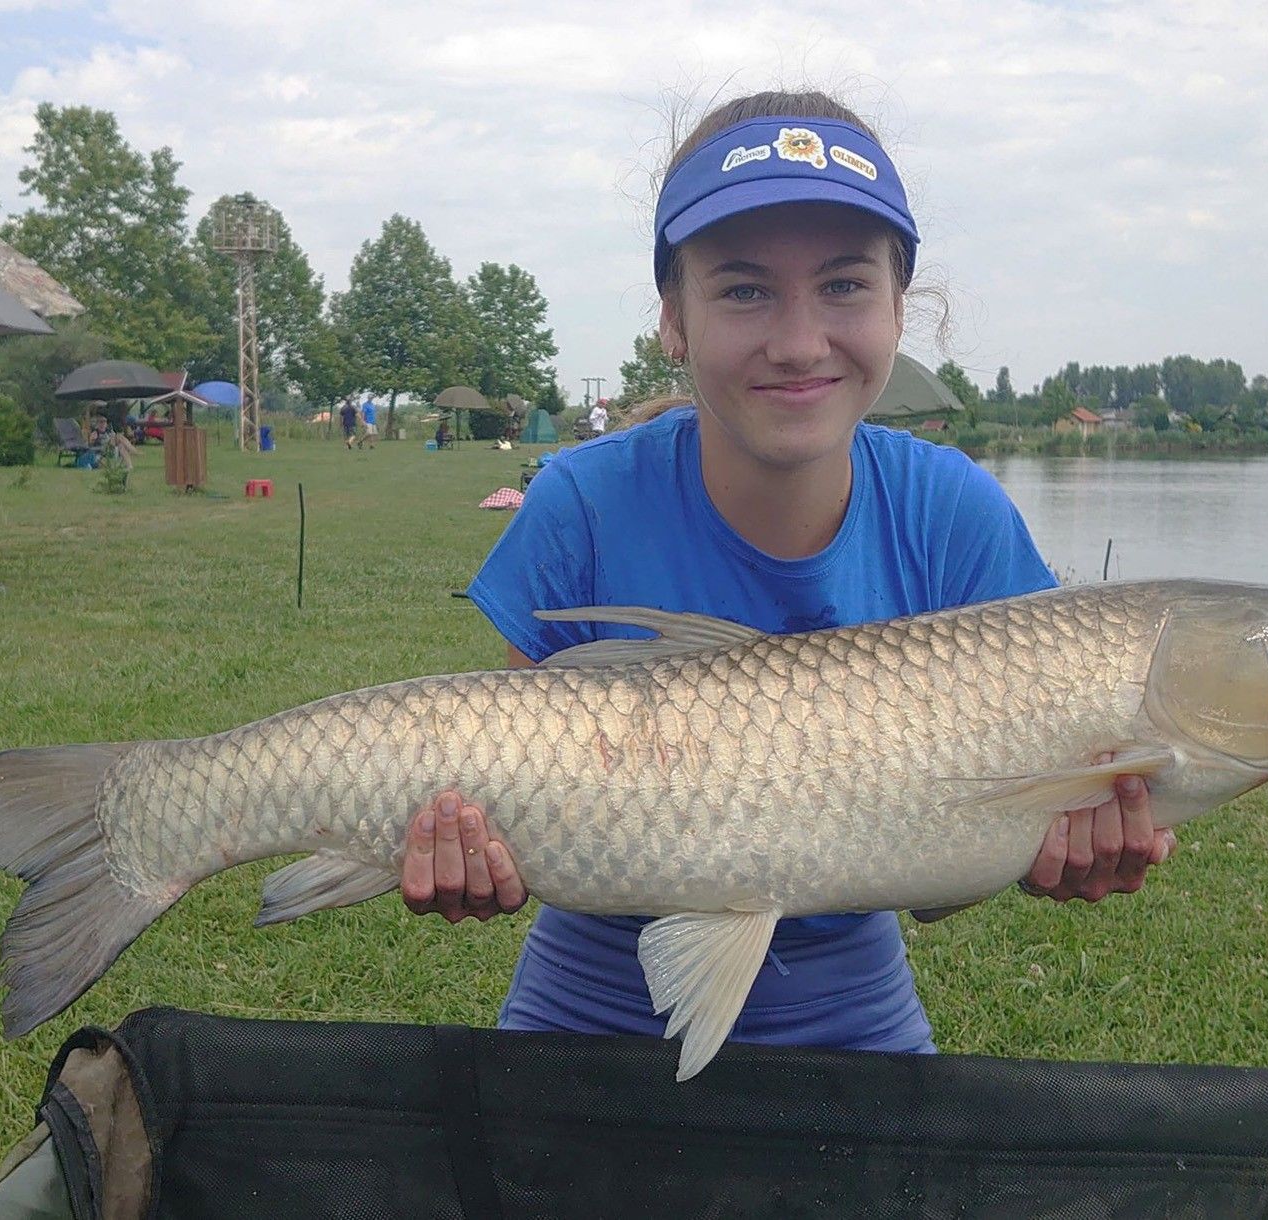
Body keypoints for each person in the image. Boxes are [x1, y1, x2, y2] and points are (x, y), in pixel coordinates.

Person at [395, 91, 1173, 1057]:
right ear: (673, 320)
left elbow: (946, 874)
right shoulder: (580, 502)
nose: (800, 343)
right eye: (745, 290)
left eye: (845, 286)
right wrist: (469, 843)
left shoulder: (956, 516)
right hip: (583, 997)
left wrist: (1038, 852)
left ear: (901, 306)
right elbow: (511, 770)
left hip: (851, 1008)